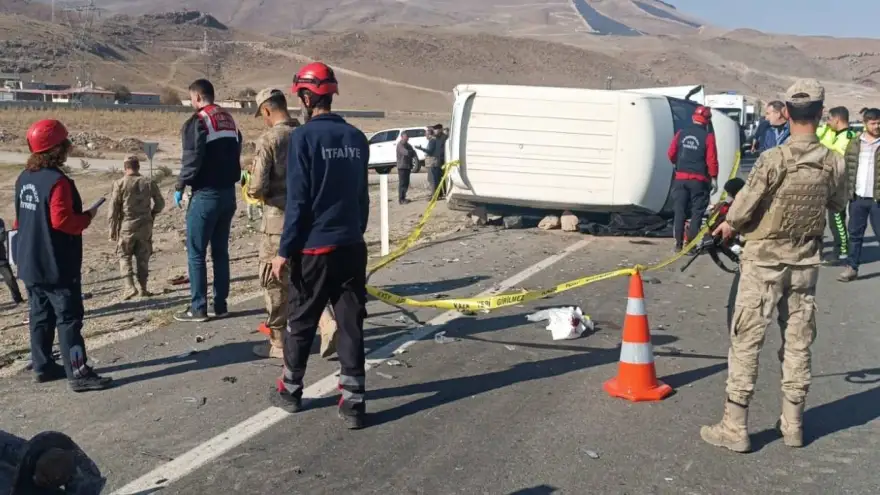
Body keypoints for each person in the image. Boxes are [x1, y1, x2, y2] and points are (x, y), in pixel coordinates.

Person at [704, 79, 847, 452]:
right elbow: (836, 205)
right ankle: (793, 425)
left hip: (764, 264)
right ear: (819, 114)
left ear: (786, 112)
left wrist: (728, 225)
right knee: (798, 345)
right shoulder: (834, 160)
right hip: (804, 266)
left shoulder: (773, 159)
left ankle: (735, 427)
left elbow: (743, 207)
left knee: (746, 342)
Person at [269, 62, 370, 429]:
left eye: (301, 95)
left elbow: (298, 201)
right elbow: (362, 199)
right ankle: (354, 402)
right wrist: (354, 233)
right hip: (351, 246)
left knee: (301, 321)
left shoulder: (303, 138)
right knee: (350, 323)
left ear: (309, 96)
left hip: (314, 250)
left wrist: (284, 251)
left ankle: (291, 390)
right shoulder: (358, 138)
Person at [15, 119, 112, 391]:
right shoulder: (59, 182)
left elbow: (19, 220)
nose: (68, 146)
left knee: (40, 315)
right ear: (56, 148)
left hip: (29, 262)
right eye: (65, 143)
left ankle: (43, 366)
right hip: (56, 264)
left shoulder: (24, 178)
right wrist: (87, 217)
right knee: (68, 319)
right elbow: (62, 222)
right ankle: (78, 374)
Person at [246, 87, 338, 360]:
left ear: (266, 110)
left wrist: (249, 186)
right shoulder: (308, 133)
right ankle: (327, 323)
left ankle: (277, 342)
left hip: (278, 223)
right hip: (310, 221)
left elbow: (258, 185)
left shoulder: (270, 139)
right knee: (306, 278)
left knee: (274, 281)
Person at [173, 79, 243, 322]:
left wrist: (181, 185)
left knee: (196, 253)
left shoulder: (198, 121)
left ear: (198, 97)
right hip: (228, 194)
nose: (192, 103)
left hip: (206, 195)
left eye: (192, 98)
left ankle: (198, 307)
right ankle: (221, 304)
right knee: (220, 252)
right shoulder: (229, 120)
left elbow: (192, 158)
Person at [108, 156, 165, 300]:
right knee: (143, 256)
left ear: (125, 167)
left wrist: (112, 230)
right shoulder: (148, 182)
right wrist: (152, 214)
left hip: (127, 225)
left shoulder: (120, 183)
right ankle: (143, 288)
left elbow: (113, 209)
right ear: (138, 167)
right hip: (145, 225)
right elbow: (160, 203)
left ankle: (129, 287)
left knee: (124, 255)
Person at [667, 105, 719, 253]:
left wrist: (679, 165)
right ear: (707, 121)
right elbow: (712, 159)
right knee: (697, 213)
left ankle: (678, 244)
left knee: (679, 211)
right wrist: (714, 178)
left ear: (693, 118)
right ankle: (690, 245)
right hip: (699, 181)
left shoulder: (681, 133)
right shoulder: (708, 137)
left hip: (680, 179)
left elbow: (671, 154)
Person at [838, 108, 880, 282]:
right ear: (865, 123)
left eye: (879, 123)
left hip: (877, 199)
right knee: (855, 235)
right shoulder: (855, 143)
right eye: (873, 123)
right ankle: (851, 268)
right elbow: (847, 168)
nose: (877, 126)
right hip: (857, 198)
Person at [816, 107, 856, 264]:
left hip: (841, 183)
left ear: (837, 120)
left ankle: (843, 250)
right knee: (832, 219)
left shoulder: (849, 137)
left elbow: (841, 159)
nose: (828, 122)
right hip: (829, 182)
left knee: (837, 218)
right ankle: (839, 248)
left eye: (829, 119)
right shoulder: (833, 134)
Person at [0, 218, 24, 305]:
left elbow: (1, 237)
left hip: (1, 259)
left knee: (10, 279)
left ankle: (18, 299)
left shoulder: (0, 221)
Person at [396, 132, 416, 204]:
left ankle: (404, 197)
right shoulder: (400, 145)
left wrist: (411, 152)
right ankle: (401, 199)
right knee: (402, 183)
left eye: (407, 137)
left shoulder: (408, 145)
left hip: (407, 166)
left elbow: (414, 153)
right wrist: (411, 152)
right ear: (402, 137)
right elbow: (406, 152)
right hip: (402, 167)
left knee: (406, 183)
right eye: (405, 137)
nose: (407, 138)